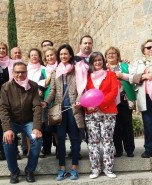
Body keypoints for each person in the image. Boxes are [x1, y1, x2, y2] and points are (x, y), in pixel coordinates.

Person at [43, 44, 87, 181]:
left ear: (70, 55)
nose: (63, 56)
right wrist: (45, 102)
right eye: (61, 54)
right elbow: (52, 91)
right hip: (59, 110)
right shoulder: (56, 72)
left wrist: (79, 101)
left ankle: (74, 168)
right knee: (60, 139)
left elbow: (82, 88)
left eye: (65, 54)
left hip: (74, 110)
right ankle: (62, 168)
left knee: (75, 139)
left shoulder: (78, 69)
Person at [0, 62, 43, 184]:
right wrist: (7, 129)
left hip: (28, 122)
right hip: (13, 122)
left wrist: (36, 127)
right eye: (17, 72)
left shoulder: (33, 86)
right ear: (13, 73)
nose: (20, 74)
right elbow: (3, 108)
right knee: (7, 141)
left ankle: (30, 170)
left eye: (23, 72)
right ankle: (14, 171)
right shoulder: (6, 87)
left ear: (26, 72)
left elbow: (37, 107)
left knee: (37, 139)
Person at [85, 51, 118, 179]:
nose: (98, 62)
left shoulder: (111, 74)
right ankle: (95, 169)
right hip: (91, 113)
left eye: (99, 60)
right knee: (93, 141)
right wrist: (88, 106)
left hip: (108, 112)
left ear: (103, 61)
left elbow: (113, 92)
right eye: (95, 61)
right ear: (91, 63)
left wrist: (98, 104)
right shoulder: (87, 77)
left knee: (107, 140)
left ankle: (108, 168)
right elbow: (84, 93)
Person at [0, 42, 22, 161]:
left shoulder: (13, 63)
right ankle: (3, 151)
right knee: (1, 124)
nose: (1, 50)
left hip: (11, 97)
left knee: (12, 123)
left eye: (3, 48)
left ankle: (14, 150)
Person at [105, 47, 136, 157]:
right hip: (111, 101)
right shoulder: (104, 68)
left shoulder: (124, 66)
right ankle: (118, 150)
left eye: (113, 53)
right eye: (108, 54)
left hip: (124, 98)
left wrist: (122, 76)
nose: (111, 55)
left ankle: (129, 149)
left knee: (127, 124)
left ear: (118, 55)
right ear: (106, 57)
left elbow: (133, 78)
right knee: (115, 125)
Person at [38, 46, 58, 158]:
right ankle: (48, 149)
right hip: (48, 100)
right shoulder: (43, 70)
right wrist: (49, 77)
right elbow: (41, 85)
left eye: (52, 55)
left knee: (58, 127)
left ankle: (59, 149)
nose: (50, 57)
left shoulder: (62, 67)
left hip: (59, 99)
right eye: (47, 56)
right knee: (49, 126)